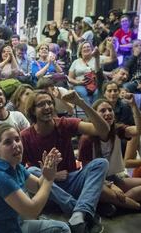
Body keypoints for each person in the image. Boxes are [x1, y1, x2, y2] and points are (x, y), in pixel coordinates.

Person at [21, 90, 109, 233]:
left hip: (71, 180)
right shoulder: (25, 136)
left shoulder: (63, 124)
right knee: (31, 171)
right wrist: (50, 176)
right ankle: (79, 210)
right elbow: (18, 171)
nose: (47, 107)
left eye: (49, 102)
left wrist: (81, 102)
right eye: (41, 104)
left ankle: (77, 216)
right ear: (32, 110)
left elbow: (103, 130)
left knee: (100, 163)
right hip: (47, 190)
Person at [0, 123, 70, 233]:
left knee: (62, 228)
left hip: (11, 225)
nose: (16, 145)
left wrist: (47, 172)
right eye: (8, 142)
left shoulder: (16, 167)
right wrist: (49, 179)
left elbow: (37, 186)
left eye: (17, 139)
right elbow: (32, 211)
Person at [79, 97, 141, 215]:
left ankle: (116, 204)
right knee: (106, 192)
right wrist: (110, 186)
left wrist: (134, 106)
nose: (108, 113)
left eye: (110, 110)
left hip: (112, 177)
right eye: (103, 111)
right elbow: (87, 171)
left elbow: (140, 130)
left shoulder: (116, 130)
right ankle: (125, 204)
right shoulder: (87, 138)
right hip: (95, 181)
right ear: (94, 115)